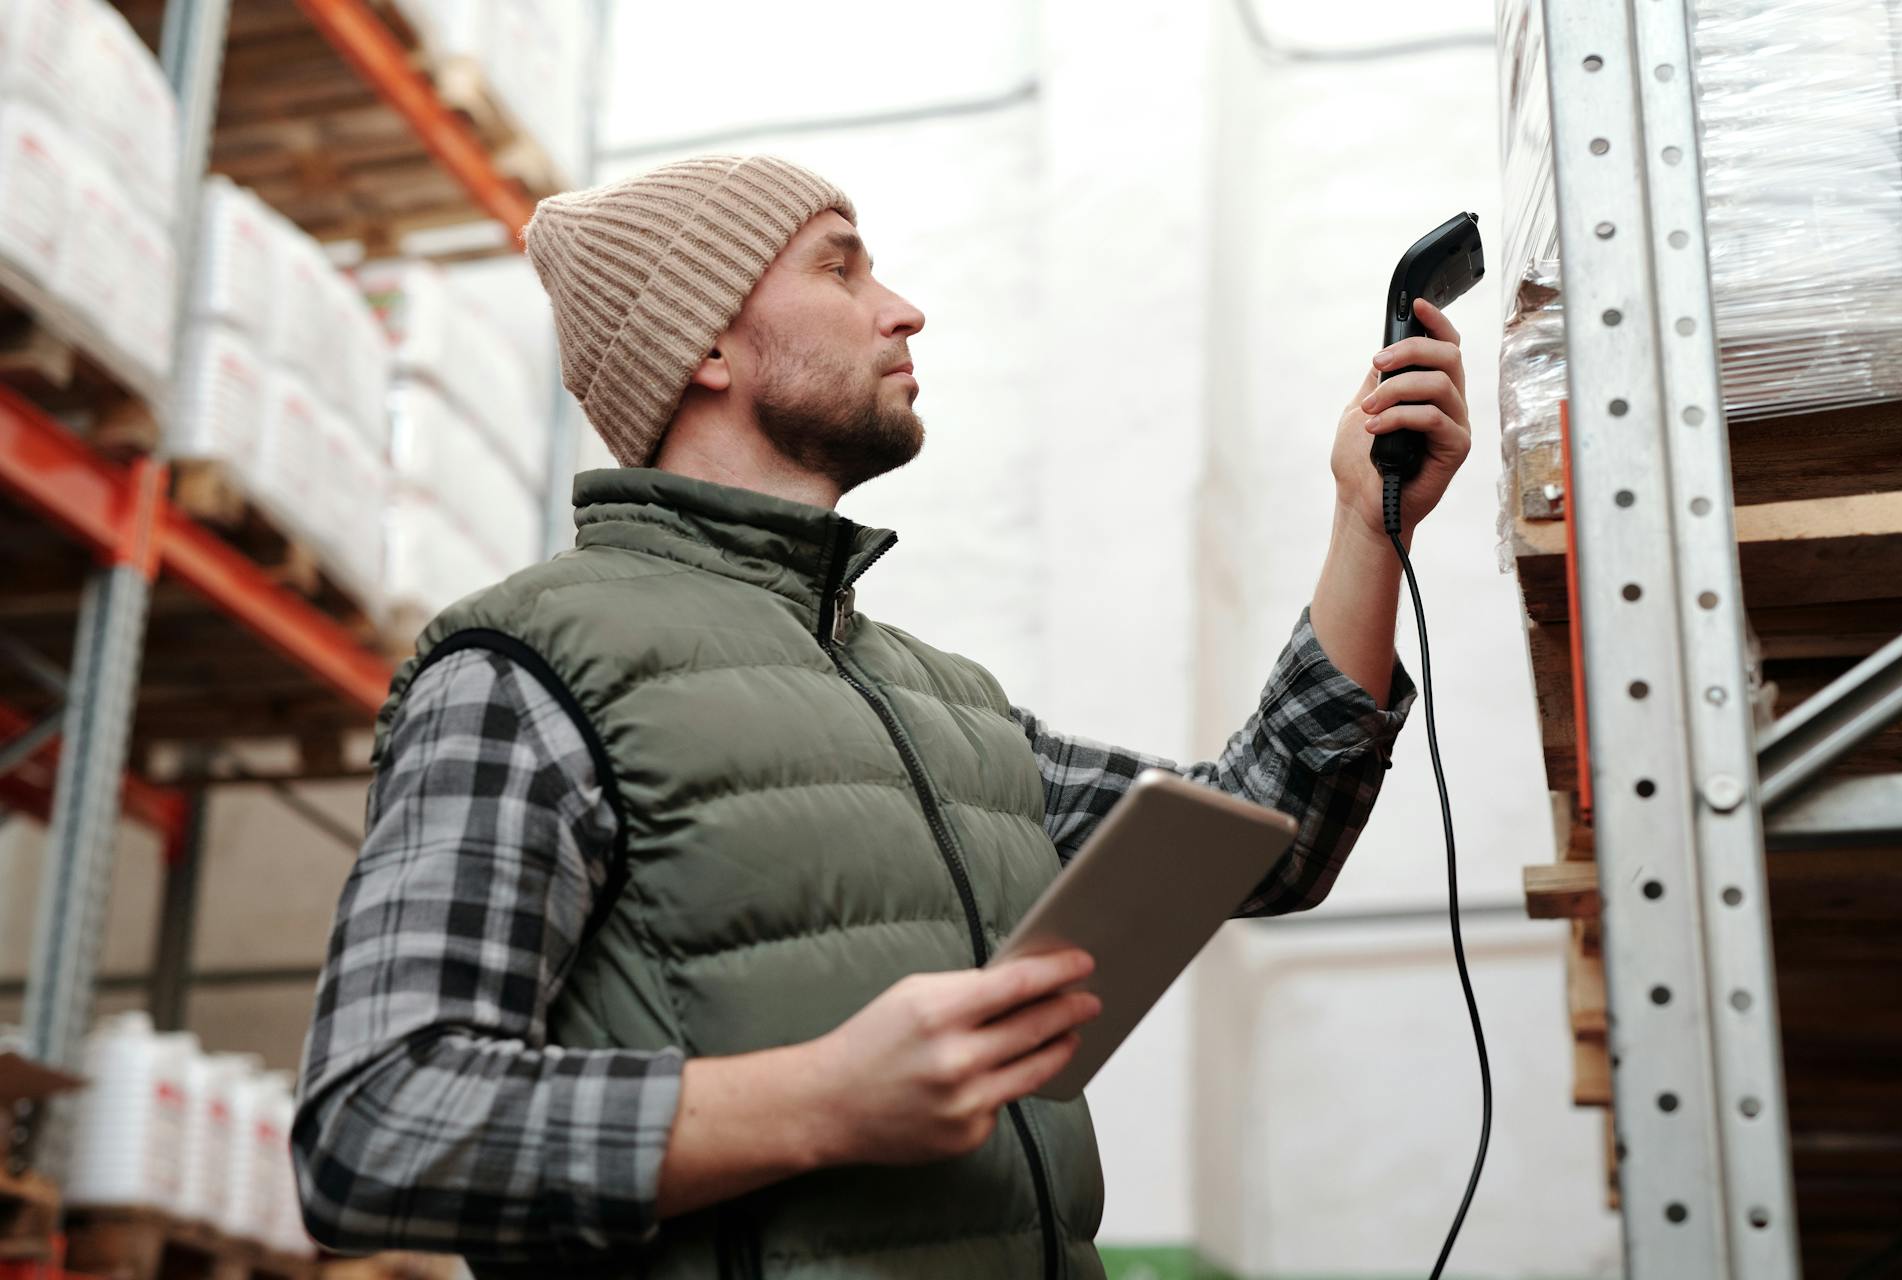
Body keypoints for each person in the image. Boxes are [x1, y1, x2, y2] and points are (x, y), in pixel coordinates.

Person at [293, 154, 1470, 1278]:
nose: (902, 309)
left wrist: (1368, 522)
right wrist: (823, 1097)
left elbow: (1270, 834)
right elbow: (375, 1125)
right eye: (840, 268)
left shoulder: (943, 702)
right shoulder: (522, 671)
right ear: (703, 344)